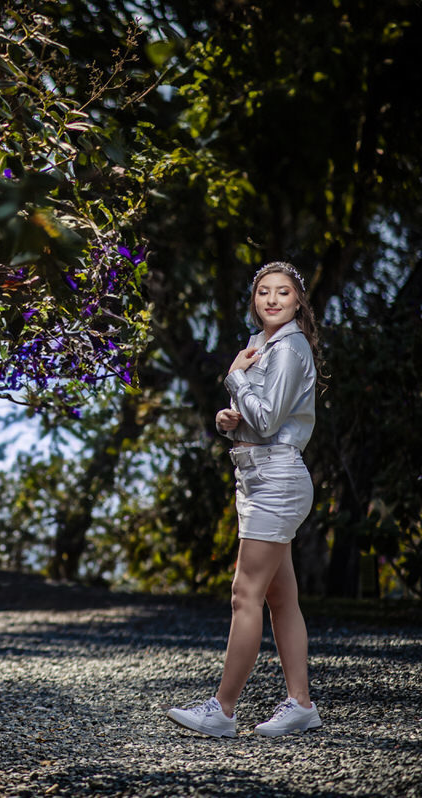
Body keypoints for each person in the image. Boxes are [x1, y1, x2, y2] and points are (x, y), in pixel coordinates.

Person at [167, 261, 324, 738]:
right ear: (254, 300)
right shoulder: (262, 346)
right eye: (263, 292)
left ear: (298, 301)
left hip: (275, 477)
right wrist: (226, 419)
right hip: (260, 476)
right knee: (280, 596)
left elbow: (272, 420)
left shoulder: (288, 347)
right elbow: (254, 418)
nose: (272, 300)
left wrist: (234, 377)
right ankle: (300, 704)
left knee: (244, 595)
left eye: (283, 292)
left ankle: (223, 710)